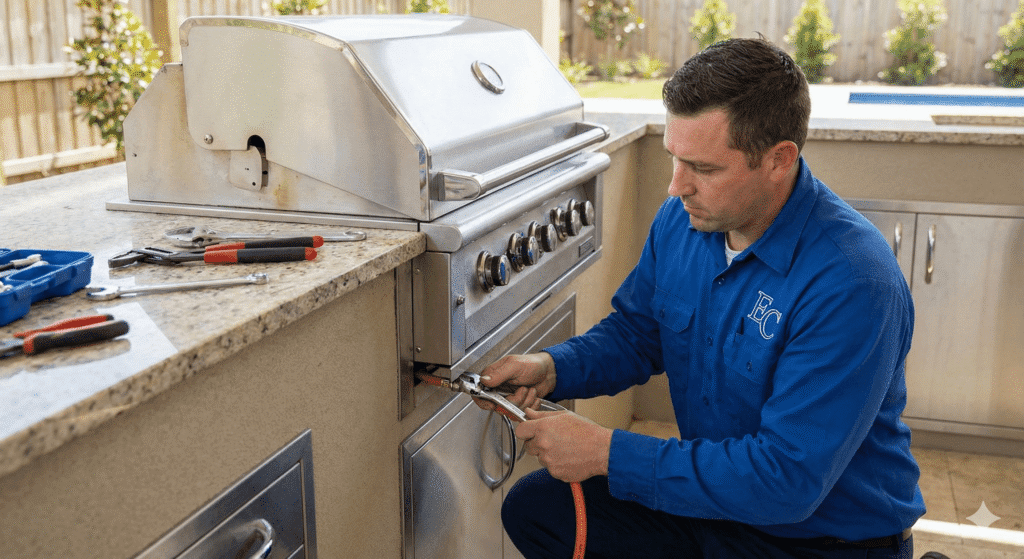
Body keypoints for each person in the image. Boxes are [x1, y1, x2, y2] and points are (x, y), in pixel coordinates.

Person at [480, 37, 925, 559]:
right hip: (716, 512)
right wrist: (554, 367)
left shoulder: (852, 281)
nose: (676, 186)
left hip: (823, 541)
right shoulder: (685, 221)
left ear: (780, 160)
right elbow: (639, 333)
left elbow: (785, 481)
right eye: (675, 158)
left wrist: (608, 452)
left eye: (705, 169)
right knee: (539, 509)